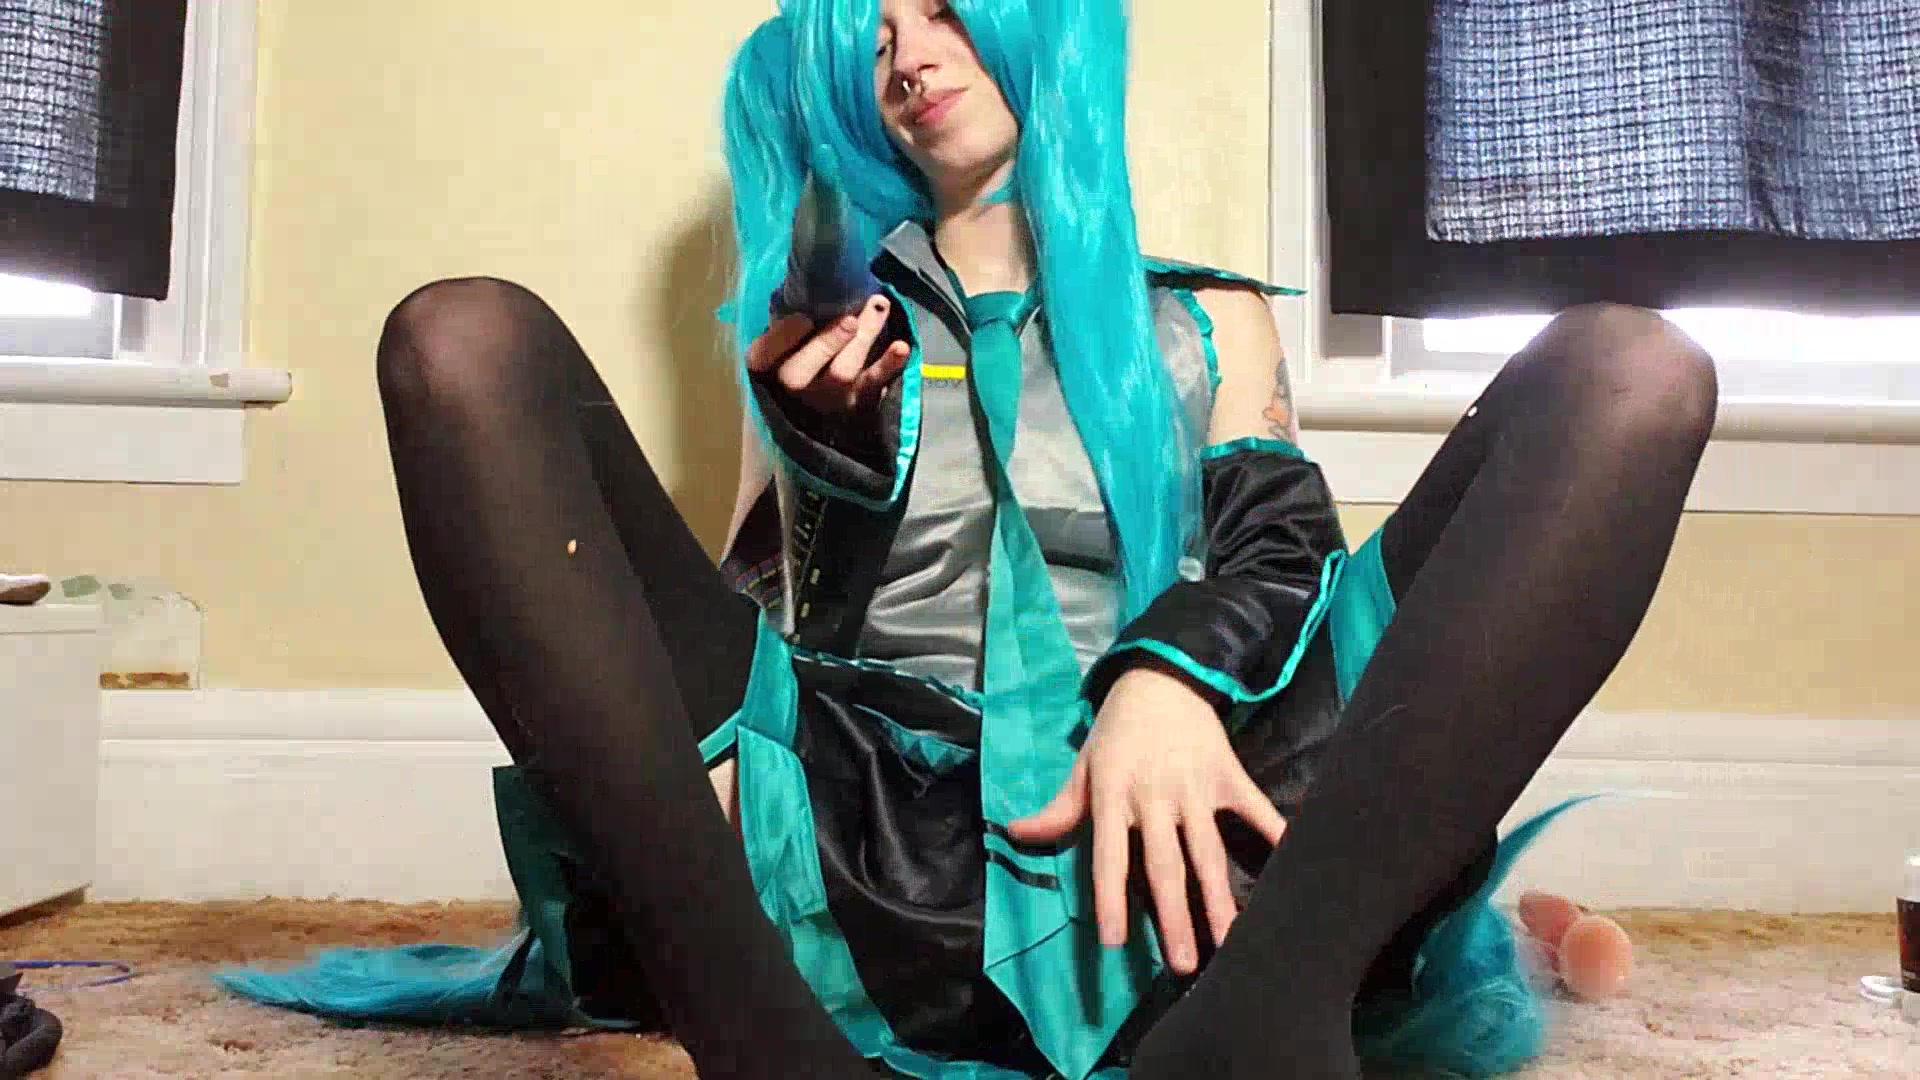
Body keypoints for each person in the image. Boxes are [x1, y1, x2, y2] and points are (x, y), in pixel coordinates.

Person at [216, 1, 1715, 1077]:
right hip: (870, 822)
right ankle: (754, 1037)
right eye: (874, 37)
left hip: (1197, 819)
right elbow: (743, 615)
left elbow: (1277, 557)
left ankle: (1268, 1026)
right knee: (460, 341)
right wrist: (825, 462)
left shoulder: (1214, 318)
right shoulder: (810, 332)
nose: (910, 53)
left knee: (1630, 374)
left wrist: (1167, 680)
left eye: (941, 9)